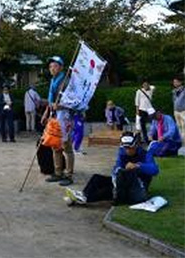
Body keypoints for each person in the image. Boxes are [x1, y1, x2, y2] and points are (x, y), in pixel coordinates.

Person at [65, 132, 159, 207]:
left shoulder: (145, 154)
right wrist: (115, 176)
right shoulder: (122, 153)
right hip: (123, 182)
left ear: (136, 145)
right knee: (97, 178)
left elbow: (154, 170)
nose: (127, 150)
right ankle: (83, 194)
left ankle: (86, 198)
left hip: (138, 188)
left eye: (130, 147)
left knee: (109, 190)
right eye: (125, 147)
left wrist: (138, 166)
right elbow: (117, 167)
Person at [41, 56, 75, 186]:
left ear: (61, 67)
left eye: (55, 66)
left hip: (65, 116)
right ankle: (58, 172)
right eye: (50, 66)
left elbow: (74, 101)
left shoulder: (67, 82)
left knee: (67, 146)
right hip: (54, 116)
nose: (52, 69)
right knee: (55, 145)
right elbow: (51, 102)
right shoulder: (53, 81)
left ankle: (69, 174)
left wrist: (60, 106)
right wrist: (46, 113)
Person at [135, 79, 155, 144]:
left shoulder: (151, 90)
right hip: (142, 109)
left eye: (147, 84)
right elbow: (137, 101)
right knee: (142, 125)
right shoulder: (139, 91)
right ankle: (144, 139)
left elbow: (153, 86)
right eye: (144, 84)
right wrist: (137, 110)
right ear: (142, 85)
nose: (145, 85)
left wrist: (148, 87)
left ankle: (152, 137)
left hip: (150, 109)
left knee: (153, 124)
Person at [173, 75, 185, 139]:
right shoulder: (174, 91)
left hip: (183, 111)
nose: (174, 83)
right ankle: (181, 141)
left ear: (180, 82)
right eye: (174, 82)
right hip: (176, 111)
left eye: (176, 82)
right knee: (178, 126)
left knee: (184, 127)